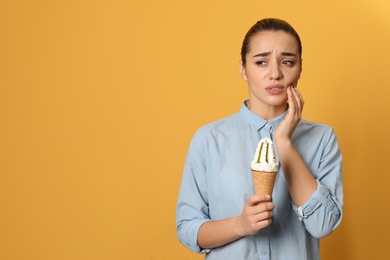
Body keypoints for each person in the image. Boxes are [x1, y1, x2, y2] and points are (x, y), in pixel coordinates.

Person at [176, 18, 343, 260]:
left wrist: (284, 142)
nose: (275, 74)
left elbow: (322, 225)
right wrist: (240, 225)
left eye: (287, 61)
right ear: (243, 68)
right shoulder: (209, 139)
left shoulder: (322, 138)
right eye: (261, 62)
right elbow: (187, 229)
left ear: (300, 68)